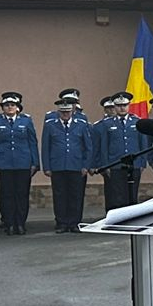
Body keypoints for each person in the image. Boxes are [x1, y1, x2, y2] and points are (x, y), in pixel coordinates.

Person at [0, 92, 39, 235]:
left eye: (12, 105)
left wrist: (35, 162)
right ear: (2, 108)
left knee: (22, 195)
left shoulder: (26, 120)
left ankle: (20, 223)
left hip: (23, 163)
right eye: (6, 105)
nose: (9, 107)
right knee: (7, 195)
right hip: (4, 164)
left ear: (18, 108)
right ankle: (9, 223)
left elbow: (33, 142)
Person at [41, 94, 91, 231]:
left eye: (67, 112)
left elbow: (87, 147)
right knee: (59, 195)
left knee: (76, 195)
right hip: (57, 166)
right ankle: (62, 222)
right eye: (62, 112)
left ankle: (75, 222)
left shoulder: (81, 125)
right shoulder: (51, 125)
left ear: (72, 111)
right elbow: (46, 147)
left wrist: (86, 165)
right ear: (58, 112)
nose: (65, 114)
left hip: (76, 166)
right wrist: (47, 166)